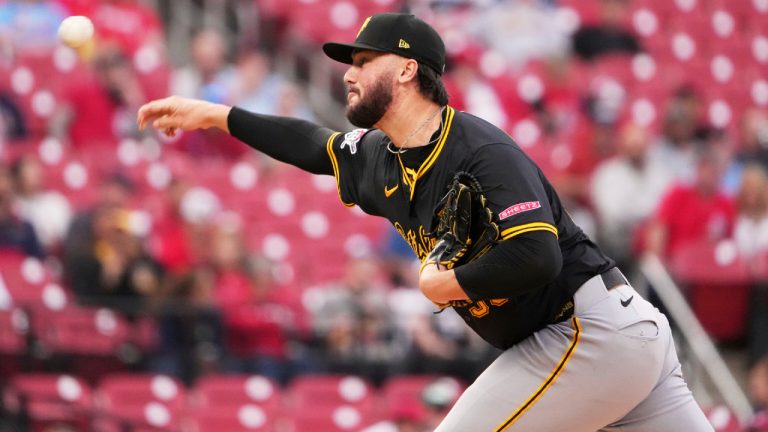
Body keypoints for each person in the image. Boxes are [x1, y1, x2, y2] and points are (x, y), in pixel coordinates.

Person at [138, 12, 713, 431]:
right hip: (611, 340)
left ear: (409, 69)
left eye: (365, 61)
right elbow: (315, 145)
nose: (348, 73)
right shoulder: (382, 160)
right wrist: (217, 115)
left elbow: (540, 255)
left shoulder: (480, 149)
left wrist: (448, 284)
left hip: (585, 329)